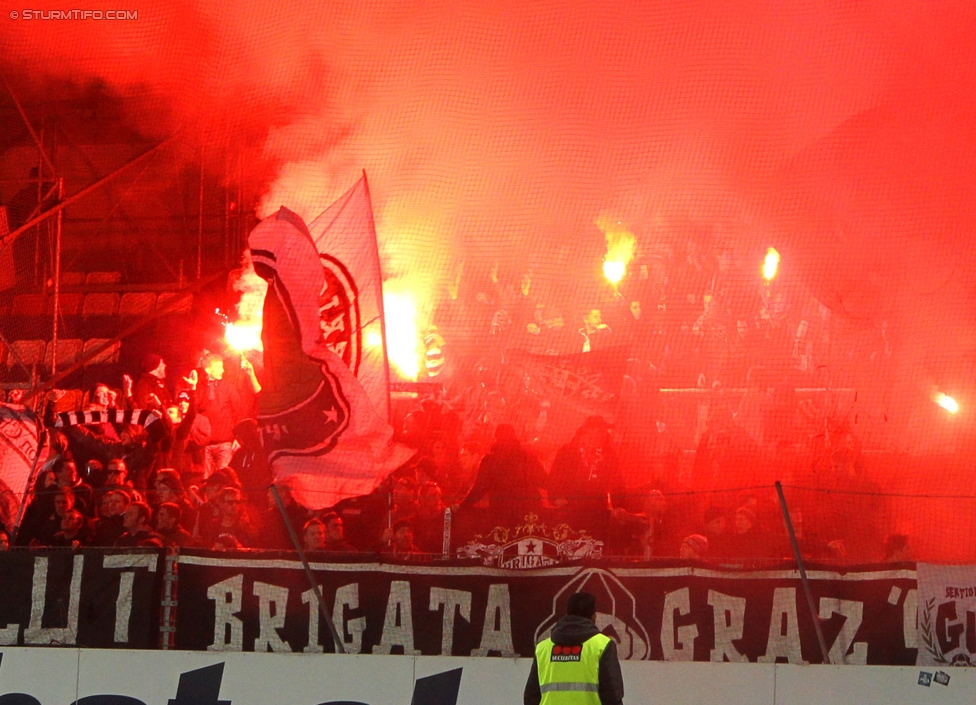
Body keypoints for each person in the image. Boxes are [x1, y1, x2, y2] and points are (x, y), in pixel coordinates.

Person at [524, 592, 624, 705]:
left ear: (567, 614)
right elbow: (612, 695)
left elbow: (531, 696)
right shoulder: (602, 645)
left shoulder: (543, 648)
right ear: (594, 616)